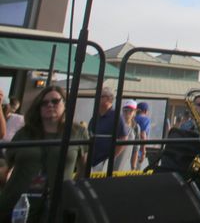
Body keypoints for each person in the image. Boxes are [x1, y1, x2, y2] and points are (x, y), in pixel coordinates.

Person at [0, 86, 88, 222]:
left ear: (65, 103)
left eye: (55, 101)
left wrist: (70, 191)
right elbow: (6, 167)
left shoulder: (78, 132)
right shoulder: (25, 133)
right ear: (38, 107)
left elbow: (84, 168)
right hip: (17, 205)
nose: (50, 105)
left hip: (55, 206)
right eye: (44, 103)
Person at [88, 87, 128, 174]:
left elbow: (123, 139)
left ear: (109, 99)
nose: (97, 98)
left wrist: (110, 159)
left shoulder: (116, 116)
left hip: (103, 163)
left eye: (100, 96)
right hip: (90, 160)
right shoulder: (95, 117)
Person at [114, 99, 140, 172]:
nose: (127, 113)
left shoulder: (136, 127)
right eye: (125, 110)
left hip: (125, 163)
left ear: (134, 113)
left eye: (130, 110)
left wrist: (133, 167)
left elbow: (136, 148)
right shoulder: (116, 124)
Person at [134, 102, 151, 170]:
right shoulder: (145, 119)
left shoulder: (133, 118)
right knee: (136, 172)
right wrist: (143, 152)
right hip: (138, 150)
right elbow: (143, 135)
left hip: (129, 148)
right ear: (145, 111)